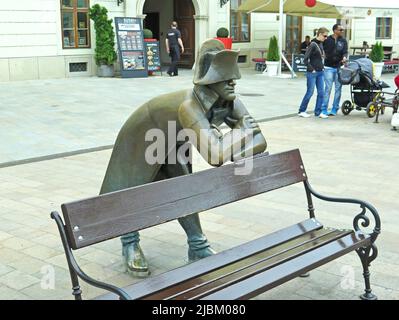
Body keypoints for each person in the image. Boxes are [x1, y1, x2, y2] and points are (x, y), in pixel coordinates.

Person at [100, 39, 267, 277]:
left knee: (182, 187)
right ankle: (129, 242)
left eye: (233, 75)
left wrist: (234, 143)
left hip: (173, 138)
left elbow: (260, 142)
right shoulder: (189, 106)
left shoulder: (231, 100)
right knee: (131, 190)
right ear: (210, 79)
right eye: (226, 76)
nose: (234, 81)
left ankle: (197, 247)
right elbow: (215, 155)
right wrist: (242, 134)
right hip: (144, 134)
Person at [298, 27, 329, 118]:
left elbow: (319, 58)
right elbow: (305, 59)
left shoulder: (321, 44)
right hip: (312, 73)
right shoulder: (313, 44)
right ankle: (302, 110)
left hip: (320, 72)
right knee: (310, 92)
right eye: (325, 36)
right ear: (319, 34)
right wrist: (312, 69)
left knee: (321, 93)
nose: (326, 38)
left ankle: (318, 112)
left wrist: (322, 68)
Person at [321, 24, 349, 116]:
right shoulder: (327, 39)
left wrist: (344, 57)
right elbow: (321, 47)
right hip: (328, 67)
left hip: (339, 67)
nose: (342, 31)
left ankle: (334, 108)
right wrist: (322, 53)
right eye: (340, 30)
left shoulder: (343, 41)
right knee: (328, 89)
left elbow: (345, 52)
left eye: (342, 30)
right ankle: (324, 109)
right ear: (335, 30)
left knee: (338, 89)